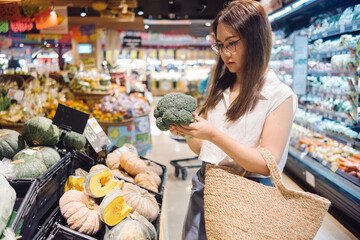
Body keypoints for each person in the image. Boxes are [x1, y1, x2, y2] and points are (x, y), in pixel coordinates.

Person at [169, 1, 298, 239]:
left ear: (256, 39)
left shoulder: (279, 95)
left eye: (232, 43)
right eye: (220, 45)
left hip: (249, 197)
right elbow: (203, 149)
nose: (226, 53)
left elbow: (265, 164)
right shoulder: (220, 87)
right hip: (206, 188)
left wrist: (213, 134)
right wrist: (188, 131)